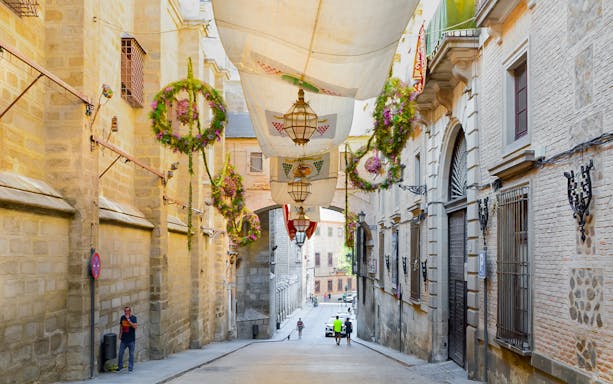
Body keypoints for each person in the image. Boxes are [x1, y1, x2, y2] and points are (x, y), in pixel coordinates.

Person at [118, 306, 138, 372]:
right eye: (125, 311)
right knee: (120, 353)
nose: (126, 312)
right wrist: (120, 334)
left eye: (127, 311)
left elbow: (135, 327)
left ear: (130, 311)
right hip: (124, 340)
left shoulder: (134, 318)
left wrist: (128, 320)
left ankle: (130, 368)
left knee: (131, 354)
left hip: (131, 340)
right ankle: (120, 367)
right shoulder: (122, 317)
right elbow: (121, 326)